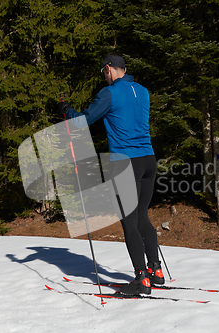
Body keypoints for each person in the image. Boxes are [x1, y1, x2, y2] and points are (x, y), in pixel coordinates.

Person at [57, 53, 164, 295]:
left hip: (125, 162)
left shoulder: (110, 93)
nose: (103, 77)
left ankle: (141, 280)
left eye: (103, 72)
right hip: (148, 160)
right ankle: (155, 271)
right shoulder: (143, 91)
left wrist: (66, 111)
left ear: (108, 69)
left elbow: (83, 120)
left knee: (129, 222)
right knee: (141, 217)